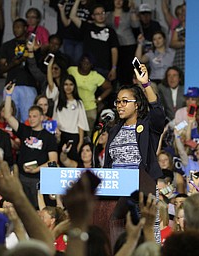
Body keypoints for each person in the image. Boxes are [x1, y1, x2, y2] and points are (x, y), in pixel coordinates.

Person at [104, 64, 165, 243]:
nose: (119, 105)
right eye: (117, 101)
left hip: (142, 193)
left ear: (137, 104)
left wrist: (145, 85)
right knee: (119, 242)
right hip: (117, 195)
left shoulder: (147, 126)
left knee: (146, 242)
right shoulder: (114, 130)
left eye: (125, 101)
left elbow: (158, 114)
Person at [4, 82, 58, 209]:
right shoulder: (24, 130)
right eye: (30, 116)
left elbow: (53, 161)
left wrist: (36, 169)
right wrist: (8, 94)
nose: (32, 119)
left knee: (37, 210)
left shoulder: (49, 137)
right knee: (21, 209)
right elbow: (7, 115)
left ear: (42, 118)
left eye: (35, 116)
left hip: (39, 179)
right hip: (22, 177)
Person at [46, 60, 89, 161]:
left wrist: (80, 142)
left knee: (72, 162)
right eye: (66, 84)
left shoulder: (79, 103)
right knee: (58, 161)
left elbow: (81, 123)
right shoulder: (57, 97)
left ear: (74, 86)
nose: (68, 87)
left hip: (74, 136)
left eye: (71, 84)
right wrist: (49, 66)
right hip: (58, 134)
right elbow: (51, 83)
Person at [0, 18, 37, 123]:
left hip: (29, 84)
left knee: (29, 119)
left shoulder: (33, 45)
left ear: (25, 28)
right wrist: (14, 63)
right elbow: (1, 69)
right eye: (14, 27)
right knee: (9, 117)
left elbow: (37, 66)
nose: (15, 29)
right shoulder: (6, 45)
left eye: (18, 27)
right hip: (11, 85)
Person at [70, 0, 119, 81]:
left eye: (102, 13)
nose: (101, 16)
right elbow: (72, 16)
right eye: (97, 14)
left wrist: (114, 68)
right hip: (88, 68)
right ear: (93, 16)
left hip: (104, 68)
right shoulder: (87, 27)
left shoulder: (111, 31)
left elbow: (114, 50)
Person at [68, 54, 112, 133]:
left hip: (90, 107)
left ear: (91, 65)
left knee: (88, 132)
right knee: (72, 130)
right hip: (73, 105)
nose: (85, 65)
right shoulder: (71, 70)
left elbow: (109, 87)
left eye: (88, 63)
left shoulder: (95, 76)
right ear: (80, 62)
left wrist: (99, 99)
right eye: (84, 62)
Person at [106, 0, 139, 85]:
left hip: (128, 45)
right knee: (115, 71)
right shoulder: (107, 14)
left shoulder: (128, 13)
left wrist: (132, 9)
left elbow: (136, 25)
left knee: (127, 71)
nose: (118, 1)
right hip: (113, 46)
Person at [50, 0, 93, 65]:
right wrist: (62, 10)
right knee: (67, 61)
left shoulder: (91, 5)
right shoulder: (73, 4)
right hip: (68, 37)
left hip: (81, 39)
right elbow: (67, 23)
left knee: (77, 62)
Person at [170, 3, 186, 72]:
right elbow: (172, 43)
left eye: (186, 10)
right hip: (180, 61)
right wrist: (184, 43)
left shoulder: (197, 26)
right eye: (183, 10)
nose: (184, 13)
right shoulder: (178, 27)